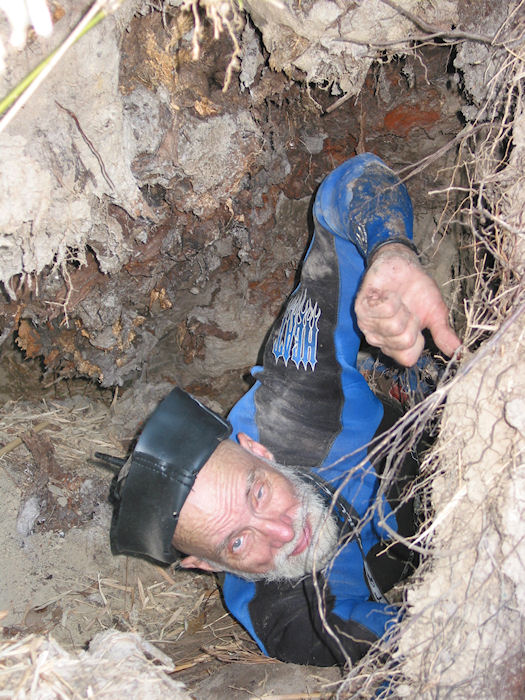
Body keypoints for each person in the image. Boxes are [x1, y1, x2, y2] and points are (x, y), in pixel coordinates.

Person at [107, 153, 461, 667]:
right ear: (202, 565)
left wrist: (390, 250)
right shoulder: (288, 615)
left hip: (441, 426)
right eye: (236, 543)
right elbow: (429, 643)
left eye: (258, 490)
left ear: (254, 447)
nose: (283, 532)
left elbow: (344, 189)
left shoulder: (297, 396)